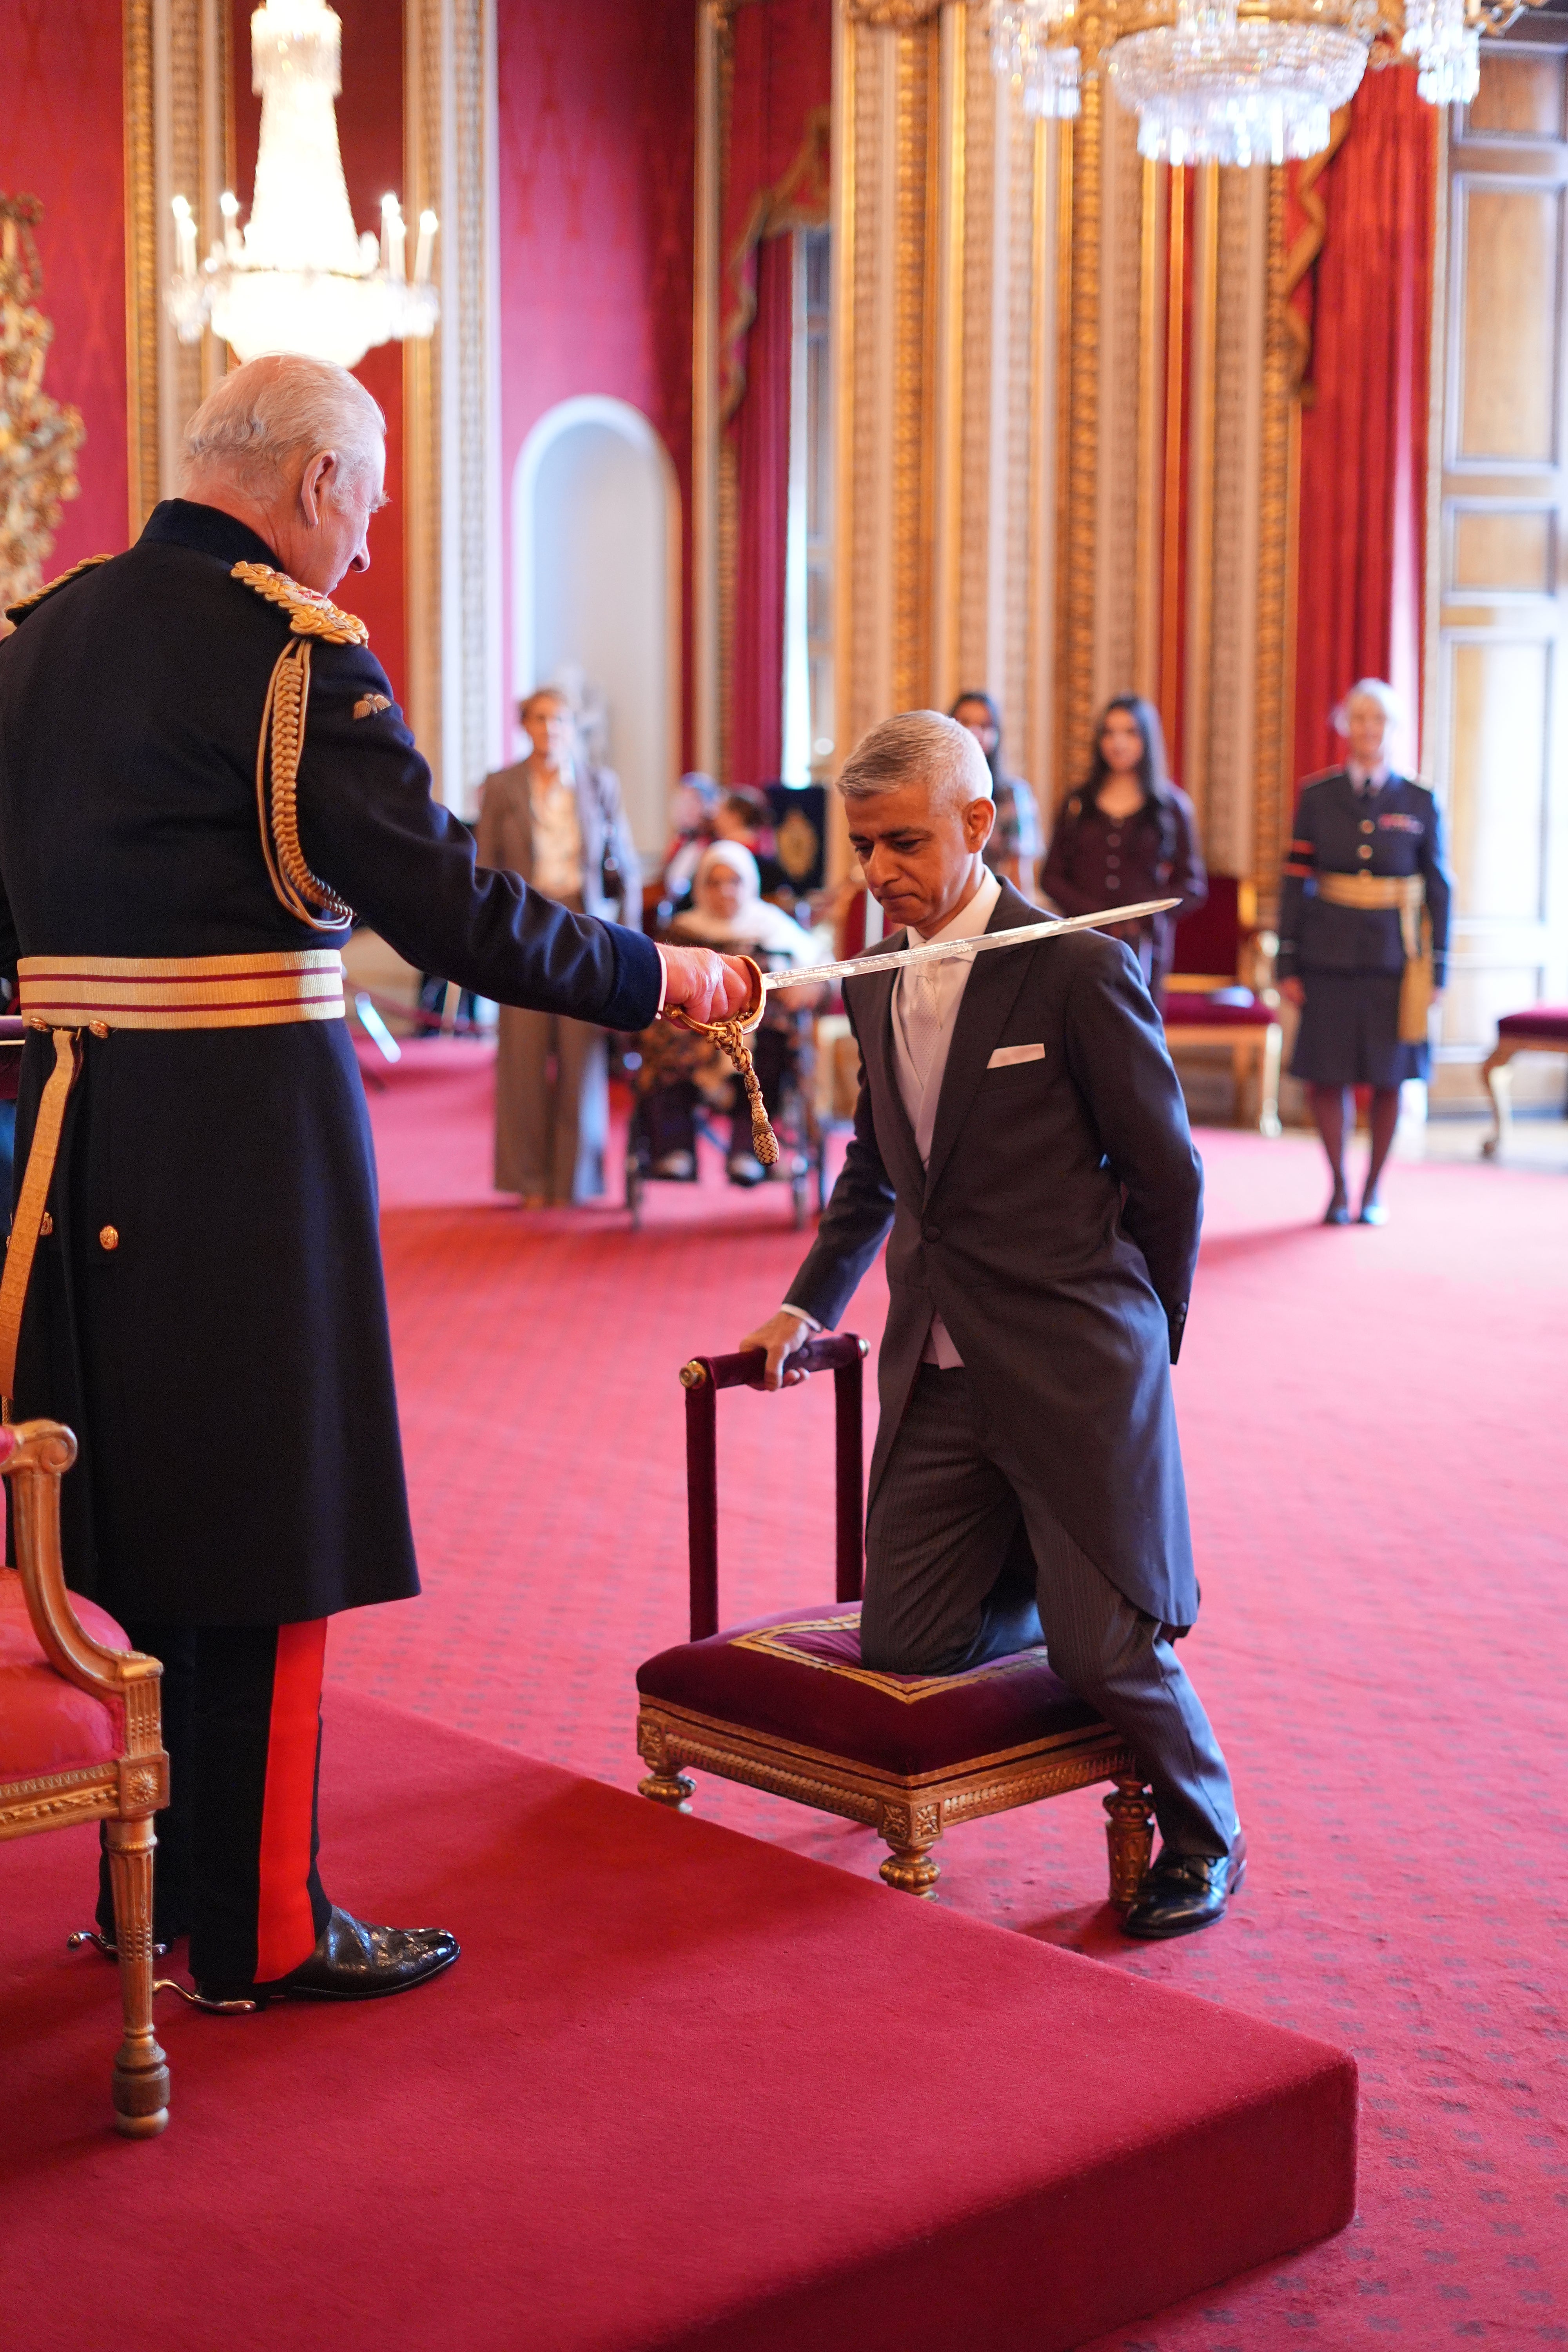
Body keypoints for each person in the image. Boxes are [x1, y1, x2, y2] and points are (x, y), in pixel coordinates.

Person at [0, 354, 749, 2011]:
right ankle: (261, 1927)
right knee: (267, 1530)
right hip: (247, 1157)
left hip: (59, 1152)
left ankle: (152, 1892)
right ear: (318, 482)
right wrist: (666, 978)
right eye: (372, 491)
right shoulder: (292, 658)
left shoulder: (36, 642)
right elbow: (456, 913)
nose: (373, 528)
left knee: (124, 1524)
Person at [741, 710, 1243, 1940]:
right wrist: (808, 1297)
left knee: (1107, 1660)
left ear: (977, 824)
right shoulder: (874, 972)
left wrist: (1142, 1329)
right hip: (944, 1371)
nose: (877, 872)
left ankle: (1203, 1829)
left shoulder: (1068, 964)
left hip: (1073, 1362)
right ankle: (1053, 1567)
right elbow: (878, 1167)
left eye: (903, 841)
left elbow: (1167, 1170)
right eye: (861, 846)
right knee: (904, 1638)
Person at [1278, 678, 1451, 1227]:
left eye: (1378, 720)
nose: (1368, 729)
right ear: (1344, 727)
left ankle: (1373, 1190)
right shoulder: (1317, 796)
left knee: (1389, 1076)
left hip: (1395, 962)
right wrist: (1287, 958)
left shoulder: (1420, 800)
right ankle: (1337, 1186)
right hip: (1327, 956)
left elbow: (1440, 888)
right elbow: (1295, 881)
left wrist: (1439, 968)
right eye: (1357, 718)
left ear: (1394, 729)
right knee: (1325, 1074)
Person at [475, 688, 641, 1205]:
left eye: (561, 720)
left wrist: (630, 940)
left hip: (585, 926)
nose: (552, 729)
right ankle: (528, 1180)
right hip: (524, 925)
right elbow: (482, 867)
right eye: (541, 719)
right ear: (525, 725)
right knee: (523, 1057)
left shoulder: (598, 784)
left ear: (574, 728)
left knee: (582, 1054)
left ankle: (577, 1180)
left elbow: (627, 868)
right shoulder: (502, 786)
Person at [637, 840, 821, 1185]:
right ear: (701, 886)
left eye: (734, 881)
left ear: (748, 884)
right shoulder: (682, 930)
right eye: (714, 882)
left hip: (754, 1032)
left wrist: (806, 988)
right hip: (693, 1031)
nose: (725, 891)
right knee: (663, 1040)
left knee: (771, 1040)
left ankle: (747, 1152)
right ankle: (675, 1150)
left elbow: (814, 969)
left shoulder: (772, 926)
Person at [1039, 695, 1207, 1004]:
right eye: (1109, 732)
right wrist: (1090, 914)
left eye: (1130, 733)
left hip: (1142, 947)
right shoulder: (1077, 804)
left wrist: (1142, 912)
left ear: (1146, 739)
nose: (1118, 743)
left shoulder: (1170, 807)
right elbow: (1051, 877)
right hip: (1081, 940)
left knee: (1136, 1031)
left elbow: (1192, 885)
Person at [949, 691, 1042, 896]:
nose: (974, 732)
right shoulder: (932, 792)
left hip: (993, 904)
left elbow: (1019, 875)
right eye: (964, 722)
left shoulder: (1013, 796)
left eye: (984, 726)